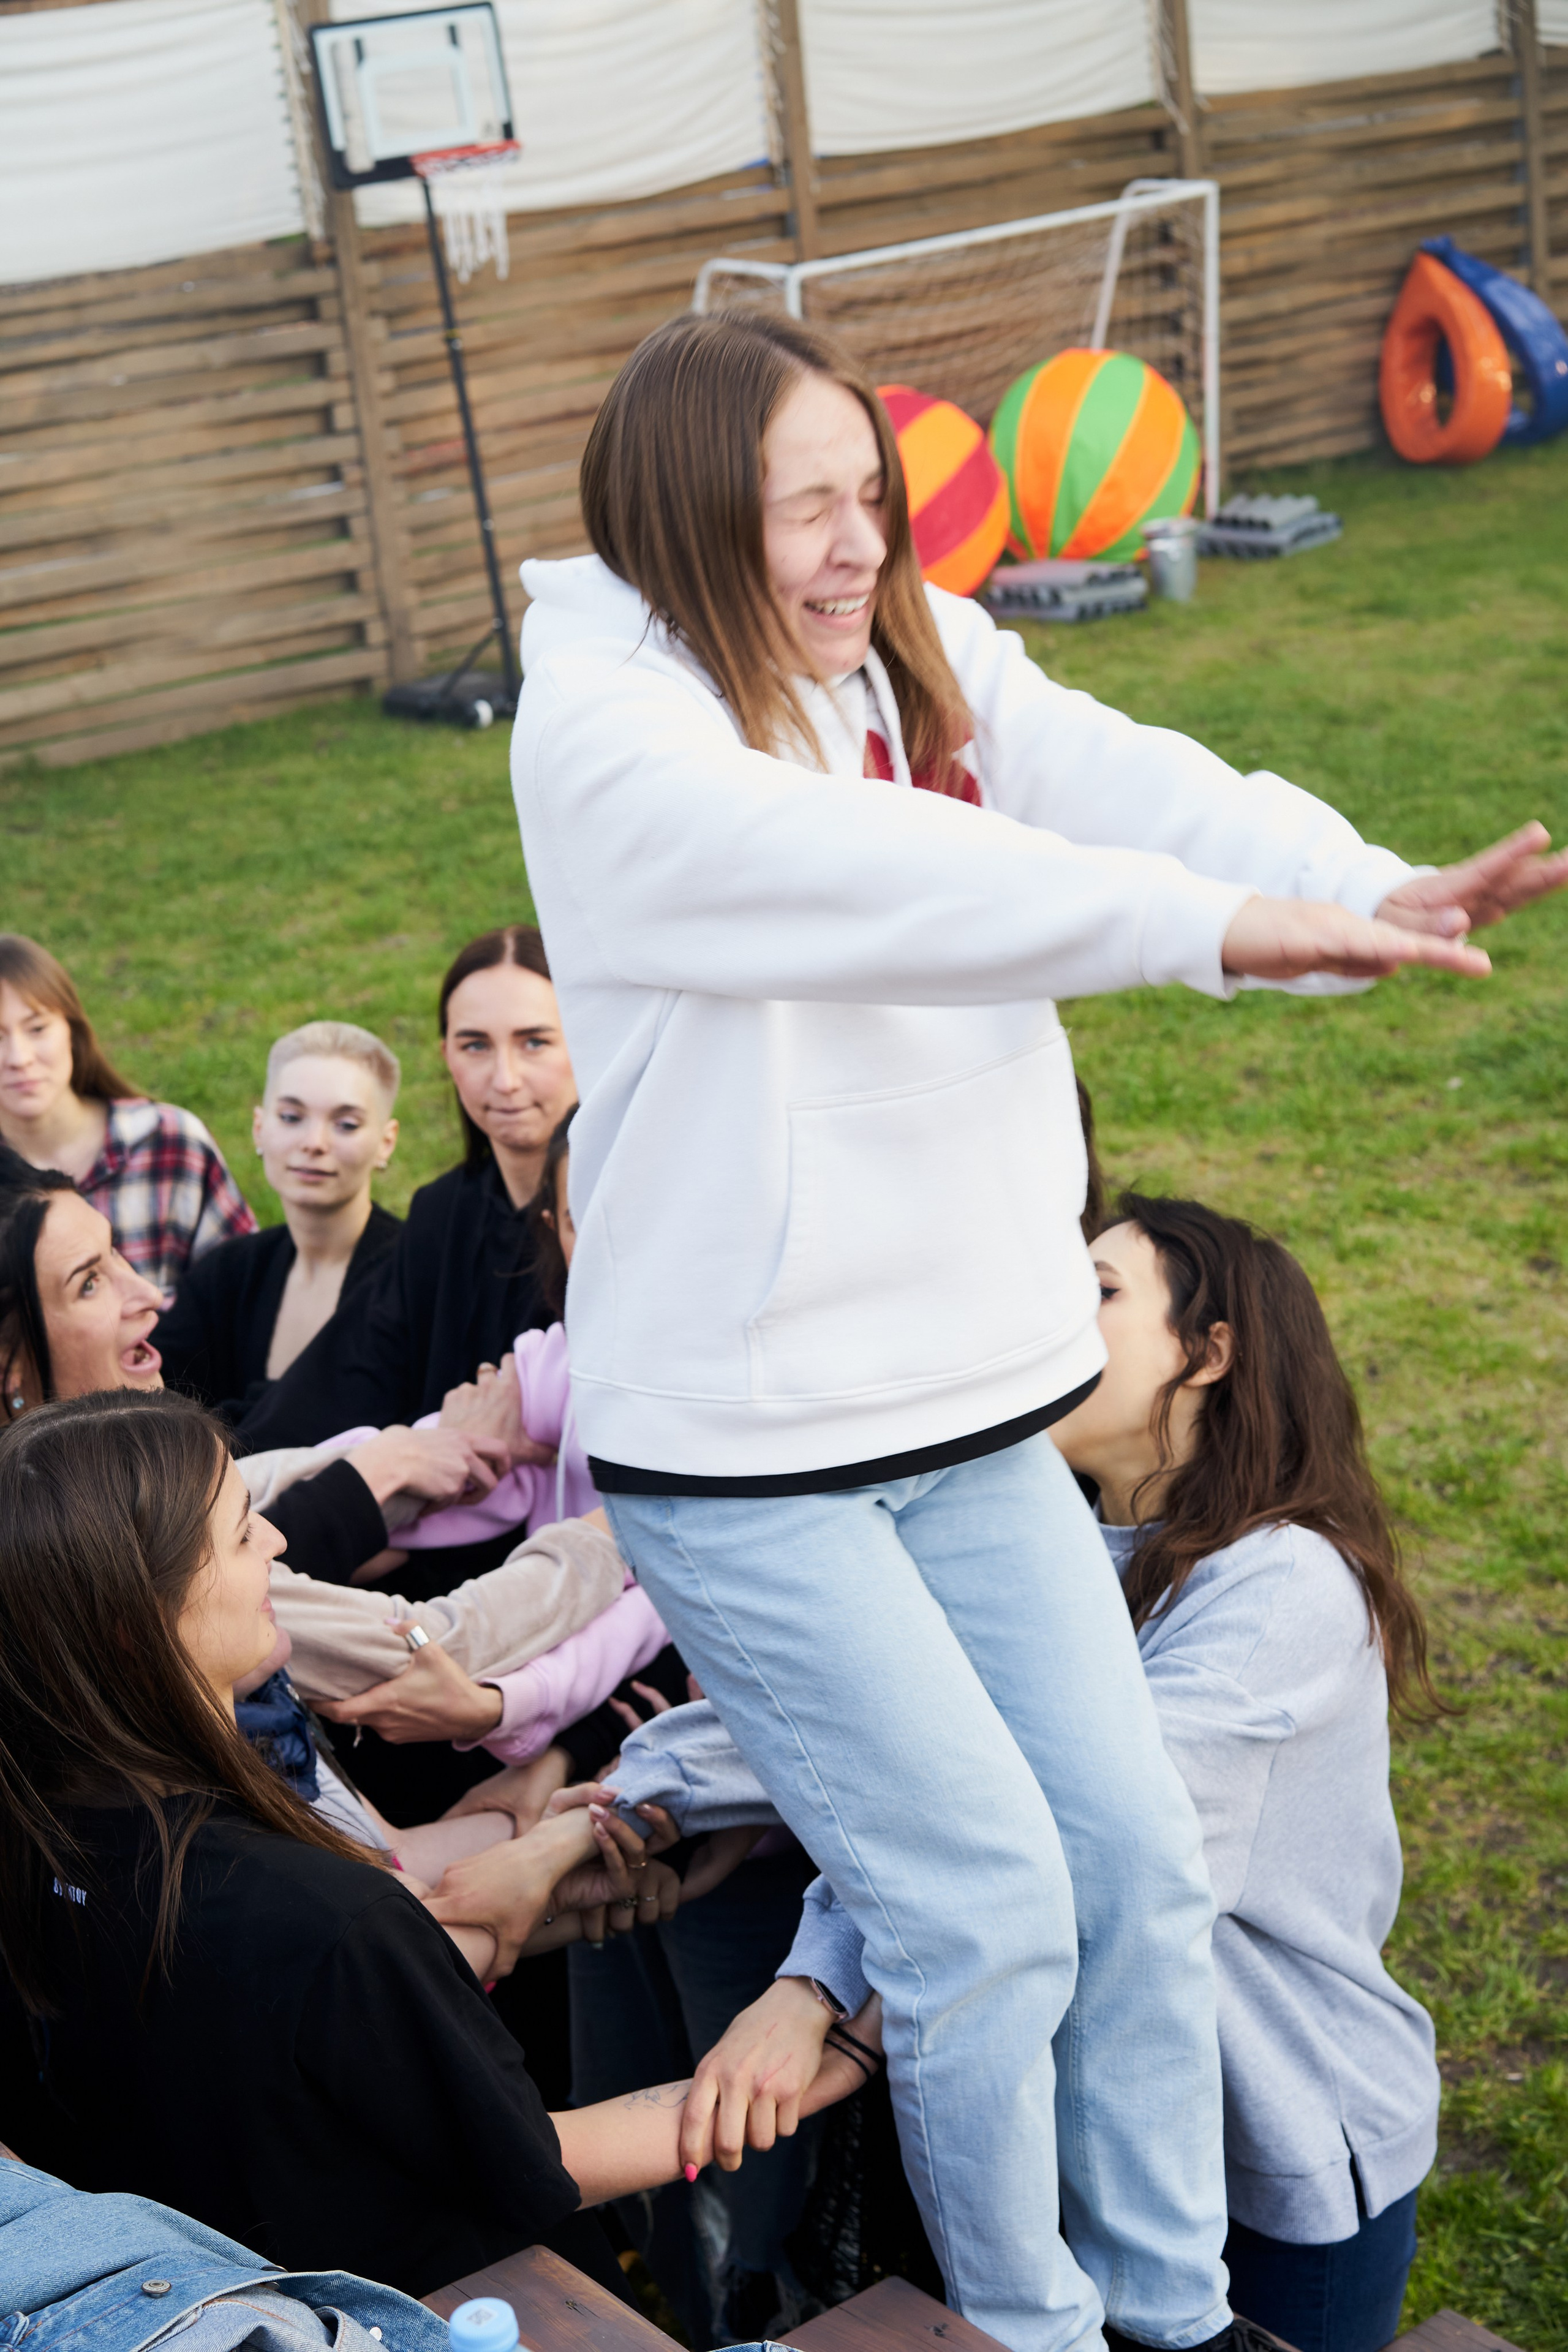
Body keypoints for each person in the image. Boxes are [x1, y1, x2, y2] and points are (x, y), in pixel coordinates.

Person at [507, 309, 1567, 2352]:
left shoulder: (904, 648)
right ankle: (1031, 2329)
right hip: (749, 1454)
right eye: (803, 510)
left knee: (1137, 1865)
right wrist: (1214, 933)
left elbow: (1112, 773)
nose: (859, 545)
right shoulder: (616, 745)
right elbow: (910, 878)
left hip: (965, 1406)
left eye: (872, 496)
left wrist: (1355, 884)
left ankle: (1174, 2316)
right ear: (685, 526)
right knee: (984, 1911)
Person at [622, 1193, 1442, 2352]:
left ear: (1210, 1353)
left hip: (1277, 2148)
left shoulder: (1286, 1588)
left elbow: (1046, 1816)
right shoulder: (1054, 1558)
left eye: (1097, 1293)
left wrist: (816, 1985)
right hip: (1120, 2135)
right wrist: (640, 1794)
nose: (1046, 1323)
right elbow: (894, 1721)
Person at [0, 1390, 876, 2297]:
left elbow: (306, 2024)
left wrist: (541, 1901)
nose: (279, 1543)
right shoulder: (325, 1914)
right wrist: (825, 2063)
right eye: (242, 1531)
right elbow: (536, 2162)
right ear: (136, 1623)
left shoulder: (43, 1855)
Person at [0, 1146, 628, 1692]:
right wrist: (621, 1523)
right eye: (88, 1283)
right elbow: (430, 1645)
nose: (149, 1294)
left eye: (116, 1254)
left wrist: (414, 1458)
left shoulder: (86, 1476)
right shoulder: (94, 1539)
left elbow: (260, 1479)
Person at [236, 925, 577, 1461]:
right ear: (447, 1055)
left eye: (535, 1042)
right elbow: (342, 1381)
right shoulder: (442, 1214)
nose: (505, 1079)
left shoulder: (622, 1217)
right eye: (475, 1045)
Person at [156, 1020, 404, 1419]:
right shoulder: (224, 1275)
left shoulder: (411, 1279)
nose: (314, 1143)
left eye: (346, 1124)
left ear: (385, 1142)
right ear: (259, 1128)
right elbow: (151, 1403)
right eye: (291, 1117)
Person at [0, 933, 254, 1297]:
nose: (19, 1058)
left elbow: (244, 1291)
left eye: (37, 1028)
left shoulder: (171, 1141)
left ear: (71, 1031)